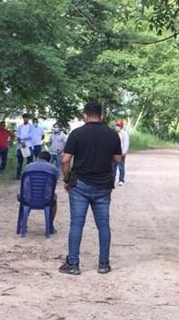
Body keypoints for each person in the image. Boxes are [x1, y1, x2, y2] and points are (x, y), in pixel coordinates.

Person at [59, 101, 123, 275]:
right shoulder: (112, 134)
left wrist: (67, 178)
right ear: (102, 115)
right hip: (103, 186)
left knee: (76, 224)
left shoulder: (77, 133)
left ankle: (73, 264)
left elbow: (65, 160)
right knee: (103, 225)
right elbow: (118, 159)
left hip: (80, 185)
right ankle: (103, 264)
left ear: (85, 115)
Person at [21, 150, 59, 225]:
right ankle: (50, 224)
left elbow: (23, 181)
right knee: (54, 201)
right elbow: (54, 184)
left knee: (26, 199)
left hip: (27, 198)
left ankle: (23, 222)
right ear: (49, 160)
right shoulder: (53, 168)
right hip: (46, 199)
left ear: (38, 157)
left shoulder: (28, 166)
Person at [15, 114, 35, 179]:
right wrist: (21, 140)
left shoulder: (31, 127)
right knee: (19, 162)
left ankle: (29, 175)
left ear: (28, 118)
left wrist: (21, 138)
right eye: (24, 118)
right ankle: (18, 175)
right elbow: (17, 134)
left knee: (30, 162)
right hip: (20, 145)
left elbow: (31, 136)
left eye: (26, 118)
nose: (25, 119)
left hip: (29, 146)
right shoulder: (20, 126)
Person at [113, 120, 130, 186]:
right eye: (117, 125)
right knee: (113, 167)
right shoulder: (114, 133)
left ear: (121, 126)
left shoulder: (124, 134)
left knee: (121, 167)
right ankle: (113, 180)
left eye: (118, 126)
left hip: (121, 153)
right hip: (114, 153)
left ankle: (121, 180)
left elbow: (126, 143)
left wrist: (124, 152)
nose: (117, 127)